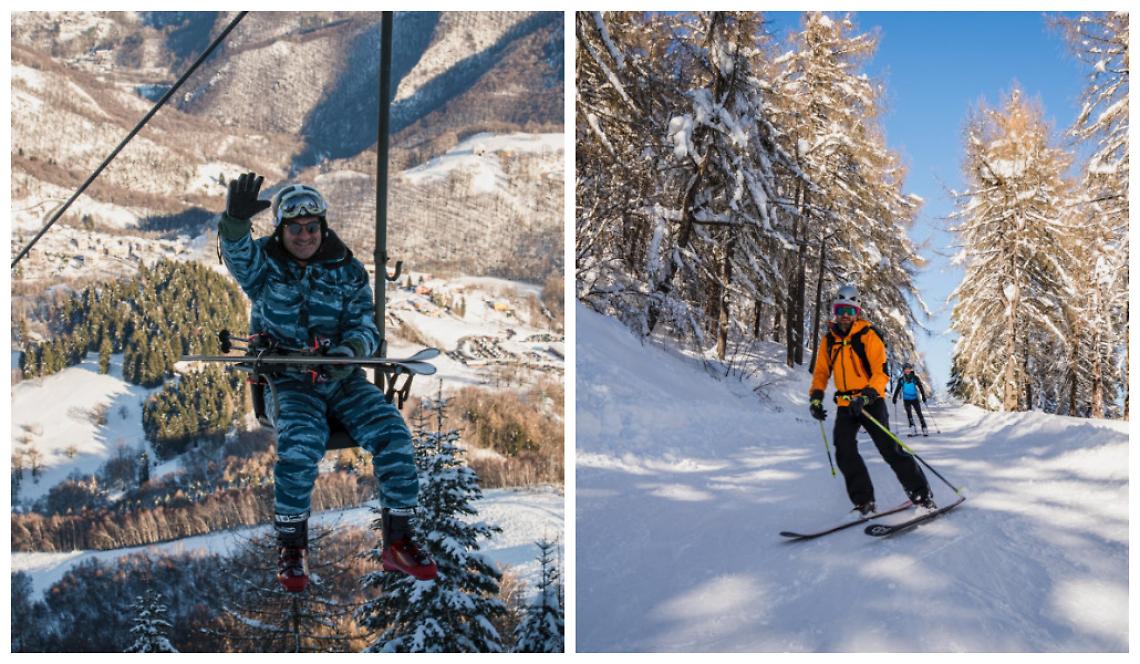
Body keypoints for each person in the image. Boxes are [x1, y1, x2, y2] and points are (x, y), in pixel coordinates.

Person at [219, 172, 437, 591]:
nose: (304, 236)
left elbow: (365, 325)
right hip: (290, 378)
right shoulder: (265, 267)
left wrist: (350, 352)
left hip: (342, 379)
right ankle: (292, 545)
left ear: (323, 227)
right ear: (282, 230)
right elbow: (239, 255)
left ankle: (399, 539)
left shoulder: (347, 271)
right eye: (295, 228)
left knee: (393, 433)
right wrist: (234, 224)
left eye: (311, 227)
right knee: (302, 442)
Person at [808, 284, 935, 514]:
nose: (844, 316)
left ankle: (922, 495)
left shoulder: (868, 336)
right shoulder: (829, 341)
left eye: (849, 311)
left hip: (870, 402)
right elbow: (821, 373)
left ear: (857, 312)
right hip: (846, 405)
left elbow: (881, 371)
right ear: (834, 312)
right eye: (840, 310)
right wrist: (816, 398)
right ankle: (864, 501)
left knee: (889, 450)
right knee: (843, 449)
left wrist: (867, 395)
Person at [892, 363, 928, 436]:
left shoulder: (915, 378)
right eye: (906, 369)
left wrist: (923, 396)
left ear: (911, 369)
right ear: (903, 371)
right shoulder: (901, 380)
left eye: (909, 369)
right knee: (909, 415)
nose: (907, 370)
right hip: (906, 400)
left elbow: (920, 387)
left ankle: (924, 428)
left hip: (915, 399)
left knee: (919, 413)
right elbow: (897, 389)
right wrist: (894, 397)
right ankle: (912, 428)